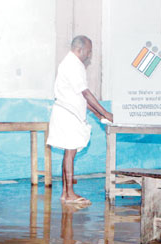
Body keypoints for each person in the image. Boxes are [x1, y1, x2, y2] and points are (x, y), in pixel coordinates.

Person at [47, 35, 113, 205]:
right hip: (67, 115)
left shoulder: (70, 63)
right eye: (89, 52)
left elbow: (80, 98)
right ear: (80, 49)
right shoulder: (74, 65)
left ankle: (65, 193)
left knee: (69, 153)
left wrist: (99, 115)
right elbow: (85, 93)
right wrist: (106, 112)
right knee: (70, 153)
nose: (89, 55)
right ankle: (69, 194)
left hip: (69, 113)